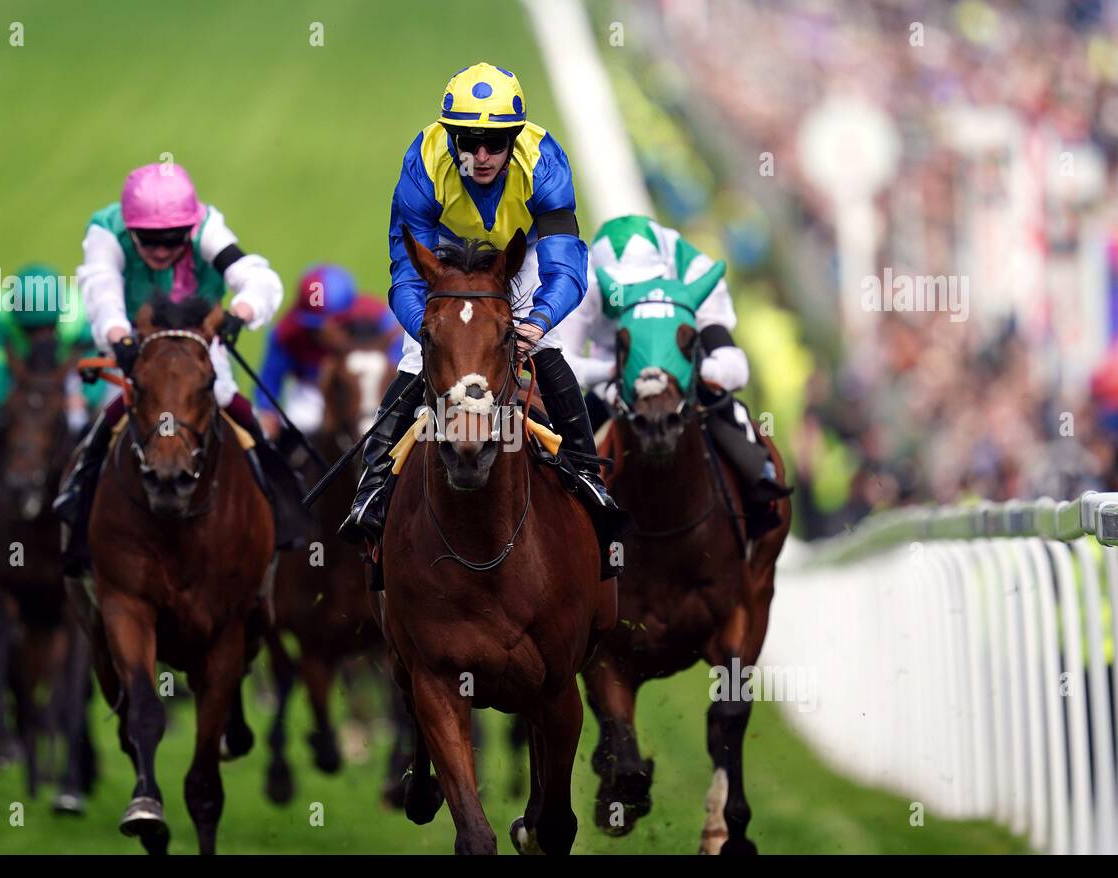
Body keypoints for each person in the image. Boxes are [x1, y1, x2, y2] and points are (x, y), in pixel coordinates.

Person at [339, 62, 619, 554]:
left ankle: (585, 473)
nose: (482, 155)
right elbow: (406, 273)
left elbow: (567, 265)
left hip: (521, 252)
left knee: (550, 343)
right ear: (450, 138)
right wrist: (429, 328)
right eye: (468, 142)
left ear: (516, 137)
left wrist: (539, 320)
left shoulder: (545, 161)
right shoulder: (423, 162)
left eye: (496, 142)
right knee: (412, 354)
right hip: (447, 257)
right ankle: (374, 485)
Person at [52, 162, 286, 576]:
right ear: (130, 229)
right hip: (137, 350)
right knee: (109, 420)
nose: (160, 251)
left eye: (172, 240)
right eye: (149, 241)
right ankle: (79, 502)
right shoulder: (106, 232)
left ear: (190, 228)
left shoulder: (208, 228)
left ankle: (285, 505)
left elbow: (260, 279)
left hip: (198, 350)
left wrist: (239, 314)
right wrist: (118, 336)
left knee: (231, 405)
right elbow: (100, 289)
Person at [555, 214, 791, 531]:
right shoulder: (581, 281)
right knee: (563, 442)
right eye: (626, 288)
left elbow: (735, 367)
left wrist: (684, 373)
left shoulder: (695, 271)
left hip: (683, 366)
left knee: (723, 406)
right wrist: (614, 376)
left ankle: (759, 484)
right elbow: (558, 359)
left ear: (665, 270)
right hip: (613, 365)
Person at [0, 266, 99, 545]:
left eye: (46, 328)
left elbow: (94, 363)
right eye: (31, 330)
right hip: (21, 384)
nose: (39, 335)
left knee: (88, 427)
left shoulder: (78, 315)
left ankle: (92, 495)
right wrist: (4, 402)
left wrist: (83, 397)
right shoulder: (0, 313)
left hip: (64, 381)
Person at [256, 264, 401, 444]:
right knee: (300, 425)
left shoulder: (379, 318)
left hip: (365, 385)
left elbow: (397, 363)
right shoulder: (287, 332)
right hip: (311, 391)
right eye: (314, 326)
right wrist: (267, 411)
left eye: (329, 323)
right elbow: (270, 378)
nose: (321, 331)